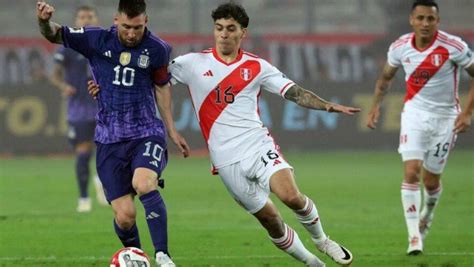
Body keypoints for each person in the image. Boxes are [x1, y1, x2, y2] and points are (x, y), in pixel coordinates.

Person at [91, 2, 358, 266]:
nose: (224, 34)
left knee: (290, 195)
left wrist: (327, 106)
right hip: (225, 160)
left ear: (243, 32)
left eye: (231, 29)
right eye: (219, 28)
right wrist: (101, 85)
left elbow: (294, 92)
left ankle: (322, 240)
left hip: (256, 145)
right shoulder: (192, 63)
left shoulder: (257, 67)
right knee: (271, 220)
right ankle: (314, 263)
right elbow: (147, 78)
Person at [36, 1, 190, 266]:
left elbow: (162, 87)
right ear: (117, 20)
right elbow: (55, 33)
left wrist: (171, 129)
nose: (132, 34)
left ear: (146, 21)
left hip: (146, 132)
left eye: (138, 27)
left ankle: (163, 256)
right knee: (125, 216)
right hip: (109, 139)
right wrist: (43, 21)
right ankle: (138, 258)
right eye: (127, 27)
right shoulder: (96, 39)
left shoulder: (158, 49)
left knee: (144, 184)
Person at [366, 0, 474, 256]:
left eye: (431, 19)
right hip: (414, 114)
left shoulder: (453, 46)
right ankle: (414, 236)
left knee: (431, 180)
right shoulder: (400, 47)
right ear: (411, 20)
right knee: (412, 172)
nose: (425, 23)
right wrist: (375, 107)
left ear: (438, 21)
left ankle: (429, 210)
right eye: (421, 18)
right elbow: (385, 78)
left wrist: (468, 114)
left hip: (446, 117)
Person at [49, 5, 107, 212]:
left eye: (90, 16)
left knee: (106, 151)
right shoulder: (67, 47)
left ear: (97, 19)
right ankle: (84, 198)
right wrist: (63, 86)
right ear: (76, 21)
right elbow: (55, 74)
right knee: (83, 153)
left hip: (104, 107)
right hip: (79, 108)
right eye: (82, 17)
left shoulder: (105, 44)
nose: (86, 20)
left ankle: (102, 181)